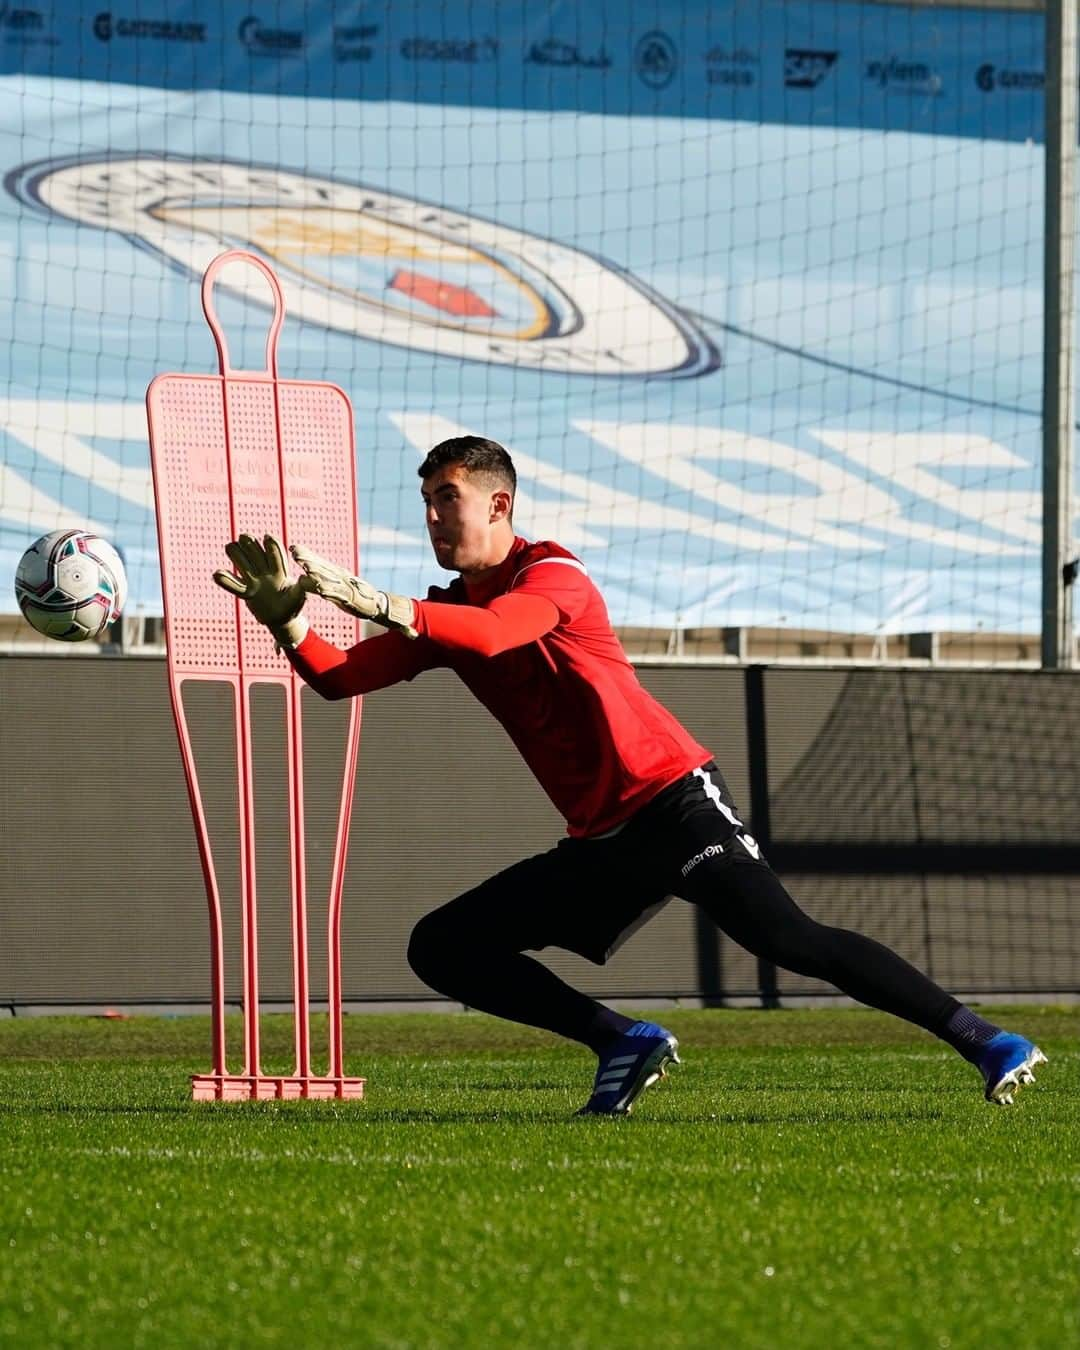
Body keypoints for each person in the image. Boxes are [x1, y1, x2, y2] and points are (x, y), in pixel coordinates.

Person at [214, 435, 1048, 1116]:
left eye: (449, 498)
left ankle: (984, 1040)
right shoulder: (445, 613)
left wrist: (392, 605)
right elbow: (336, 678)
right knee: (443, 946)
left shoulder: (554, 575)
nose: (434, 515)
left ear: (499, 505)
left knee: (785, 938)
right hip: (603, 842)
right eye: (427, 500)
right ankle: (621, 1039)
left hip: (673, 804)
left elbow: (500, 634)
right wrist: (289, 623)